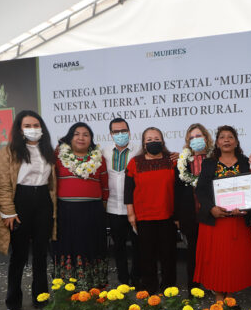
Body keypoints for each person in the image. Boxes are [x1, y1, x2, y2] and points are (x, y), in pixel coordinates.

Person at [0, 111, 56, 310]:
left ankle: (41, 297)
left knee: (40, 253)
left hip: (43, 202)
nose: (33, 129)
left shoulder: (48, 150)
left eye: (36, 124)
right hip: (20, 201)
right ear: (19, 129)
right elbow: (2, 184)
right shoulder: (9, 151)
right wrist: (8, 212)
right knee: (19, 255)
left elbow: (53, 183)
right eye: (27, 125)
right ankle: (13, 301)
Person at [194, 126, 251, 299]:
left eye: (230, 137)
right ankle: (218, 295)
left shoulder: (246, 162)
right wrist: (211, 208)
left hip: (237, 222)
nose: (227, 140)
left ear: (236, 141)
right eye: (222, 137)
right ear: (217, 142)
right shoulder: (209, 163)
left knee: (233, 261)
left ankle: (230, 295)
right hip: (216, 221)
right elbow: (201, 191)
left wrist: (245, 207)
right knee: (217, 261)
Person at [53, 122, 108, 290]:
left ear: (91, 139)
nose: (81, 137)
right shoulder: (58, 157)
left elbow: (105, 186)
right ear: (70, 137)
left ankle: (93, 285)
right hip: (66, 211)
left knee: (91, 246)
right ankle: (69, 287)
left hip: (92, 211)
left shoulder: (99, 159)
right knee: (68, 247)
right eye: (77, 134)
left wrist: (101, 209)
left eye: (86, 134)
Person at [124, 127, 177, 294]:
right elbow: (128, 190)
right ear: (143, 143)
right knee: (147, 255)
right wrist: (131, 214)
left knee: (168, 255)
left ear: (162, 141)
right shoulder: (135, 162)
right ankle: (151, 287)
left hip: (167, 215)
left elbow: (180, 188)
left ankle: (168, 287)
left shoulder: (172, 160)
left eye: (156, 138)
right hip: (144, 216)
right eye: (149, 139)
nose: (153, 141)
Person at [175, 123, 213, 290]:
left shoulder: (215, 159)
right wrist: (177, 216)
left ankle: (213, 284)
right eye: (192, 138)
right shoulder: (182, 162)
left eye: (198, 136)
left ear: (206, 137)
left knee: (212, 253)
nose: (195, 140)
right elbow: (176, 190)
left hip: (212, 214)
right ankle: (194, 287)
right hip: (191, 214)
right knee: (193, 252)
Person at [103, 118, 139, 286]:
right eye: (116, 132)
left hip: (135, 208)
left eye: (123, 131)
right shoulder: (104, 152)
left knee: (139, 246)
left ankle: (137, 277)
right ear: (110, 134)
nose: (120, 134)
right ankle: (123, 279)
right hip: (113, 207)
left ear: (129, 132)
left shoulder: (138, 151)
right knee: (119, 247)